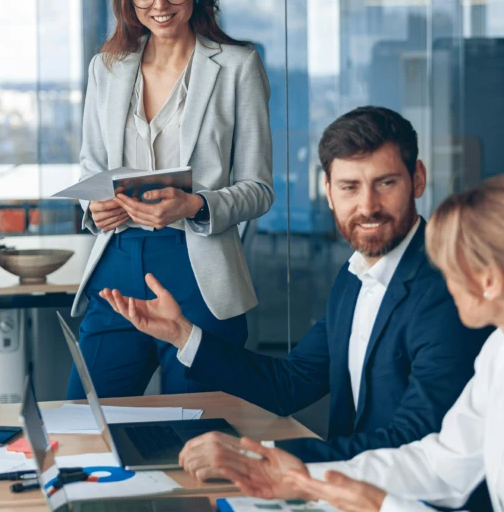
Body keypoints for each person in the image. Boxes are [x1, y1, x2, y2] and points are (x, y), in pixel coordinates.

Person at [100, 107, 492, 471]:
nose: (367, 206)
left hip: (407, 503)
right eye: (349, 187)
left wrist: (262, 457)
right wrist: (181, 334)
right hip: (352, 489)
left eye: (385, 183)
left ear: (418, 180)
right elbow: (292, 384)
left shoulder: (447, 289)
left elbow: (415, 442)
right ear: (328, 191)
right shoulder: (355, 275)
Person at [212, 176, 504, 512]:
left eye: (450, 269)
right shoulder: (497, 351)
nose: (444, 284)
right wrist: (305, 480)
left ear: (488, 281)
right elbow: (440, 464)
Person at [68, 0, 273, 399]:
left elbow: (258, 189)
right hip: (117, 265)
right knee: (87, 420)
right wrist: (95, 207)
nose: (159, 3)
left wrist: (193, 205)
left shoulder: (238, 66)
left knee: (198, 429)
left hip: (198, 273)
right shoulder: (108, 67)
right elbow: (91, 167)